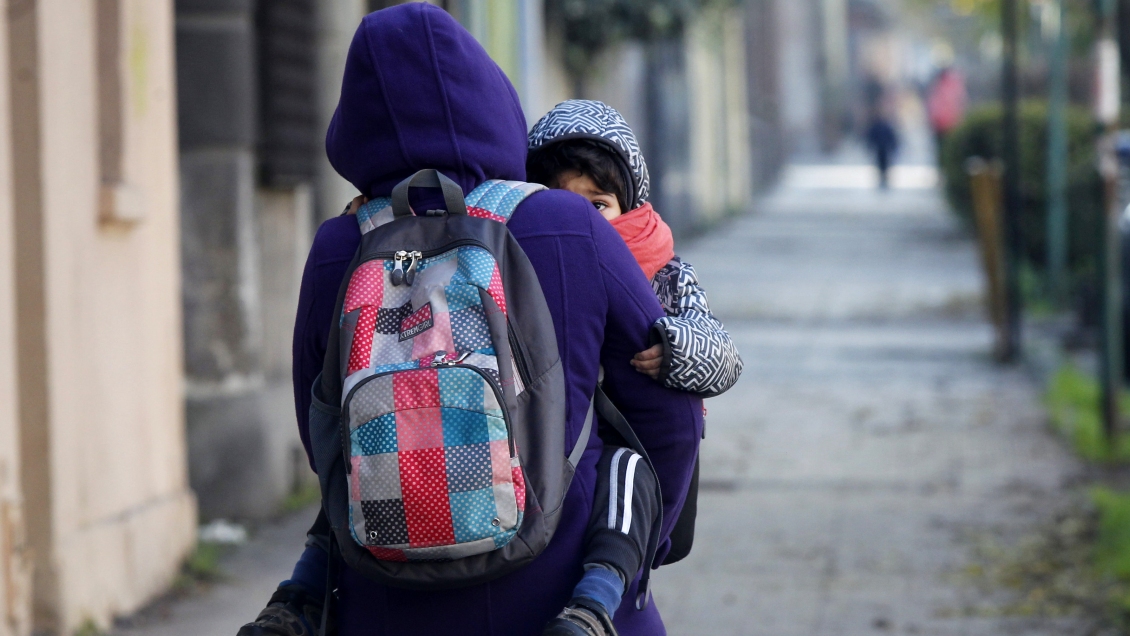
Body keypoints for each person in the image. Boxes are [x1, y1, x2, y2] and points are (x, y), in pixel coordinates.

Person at [238, 5, 702, 636]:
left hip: (387, 598)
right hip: (565, 591)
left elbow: (322, 424)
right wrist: (636, 554)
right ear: (491, 97)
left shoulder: (339, 245)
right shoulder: (568, 226)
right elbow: (668, 410)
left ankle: (300, 594)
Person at [525, 100, 743, 635]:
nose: (578, 219)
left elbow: (724, 354)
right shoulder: (523, 264)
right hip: (557, 445)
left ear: (629, 204)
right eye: (560, 202)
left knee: (625, 479)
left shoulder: (665, 272)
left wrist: (678, 348)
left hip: (639, 449)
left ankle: (599, 601)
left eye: (596, 205)